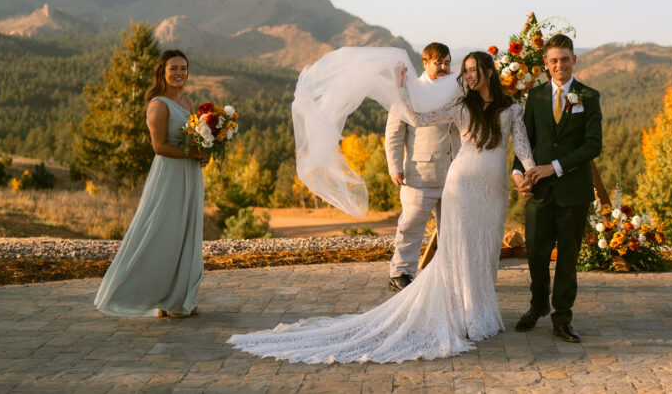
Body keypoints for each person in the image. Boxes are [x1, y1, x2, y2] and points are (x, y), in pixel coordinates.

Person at [228, 50, 537, 363]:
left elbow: (523, 147)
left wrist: (530, 174)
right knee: (459, 249)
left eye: (474, 70)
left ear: (489, 71)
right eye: (466, 71)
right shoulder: (460, 104)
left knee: (485, 248)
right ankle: (465, 315)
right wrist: (401, 89)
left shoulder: (511, 108)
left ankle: (483, 310)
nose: (469, 76)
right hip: (462, 185)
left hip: (494, 190)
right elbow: (418, 118)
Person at [95, 50, 210, 318]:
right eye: (173, 68)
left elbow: (193, 141)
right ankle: (143, 294)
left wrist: (204, 154)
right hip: (169, 175)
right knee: (162, 233)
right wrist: (194, 154)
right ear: (162, 72)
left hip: (190, 175)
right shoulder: (158, 105)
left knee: (185, 233)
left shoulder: (188, 102)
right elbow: (159, 147)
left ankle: (177, 299)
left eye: (183, 68)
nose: (179, 73)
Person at [513, 34, 602, 343]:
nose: (559, 65)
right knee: (536, 255)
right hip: (538, 192)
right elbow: (524, 142)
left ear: (574, 59)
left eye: (565, 59)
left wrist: (554, 167)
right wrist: (517, 174)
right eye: (553, 60)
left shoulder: (588, 97)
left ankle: (562, 317)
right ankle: (538, 305)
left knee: (567, 257)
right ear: (546, 64)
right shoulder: (535, 97)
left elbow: (593, 145)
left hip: (573, 192)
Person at [384, 42, 460, 291]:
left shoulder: (457, 89)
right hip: (420, 174)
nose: (444, 67)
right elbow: (394, 133)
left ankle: (448, 273)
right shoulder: (408, 89)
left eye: (447, 62)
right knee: (411, 225)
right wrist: (395, 166)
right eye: (438, 63)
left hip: (454, 173)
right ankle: (401, 273)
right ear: (425, 62)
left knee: (450, 229)